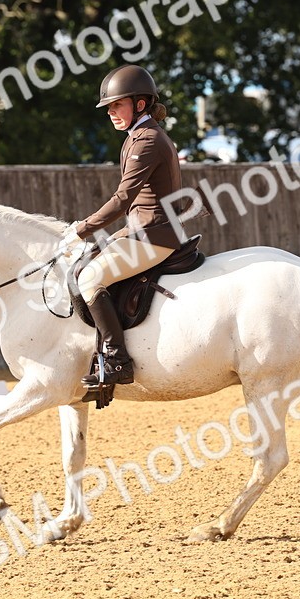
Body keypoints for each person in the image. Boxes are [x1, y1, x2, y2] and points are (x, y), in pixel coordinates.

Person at [59, 65, 183, 388]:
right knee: (90, 260)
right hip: (141, 230)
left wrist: (81, 228)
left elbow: (123, 198)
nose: (111, 112)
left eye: (117, 105)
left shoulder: (147, 140)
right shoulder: (137, 136)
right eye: (109, 108)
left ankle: (117, 360)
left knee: (90, 278)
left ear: (139, 104)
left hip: (154, 236)